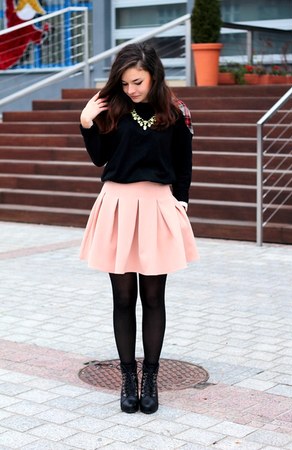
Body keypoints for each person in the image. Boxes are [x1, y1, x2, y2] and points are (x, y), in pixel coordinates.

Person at [79, 42, 199, 414]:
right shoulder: (113, 108)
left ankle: (150, 379)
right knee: (123, 298)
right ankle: (128, 379)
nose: (131, 89)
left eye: (137, 82)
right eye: (125, 82)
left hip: (156, 208)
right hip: (117, 205)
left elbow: (184, 162)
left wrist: (180, 202)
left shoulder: (175, 113)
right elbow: (100, 157)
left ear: (154, 76)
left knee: (153, 298)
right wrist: (86, 123)